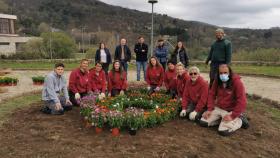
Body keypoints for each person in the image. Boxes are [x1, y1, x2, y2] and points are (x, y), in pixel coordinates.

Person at [200, 64, 249, 136]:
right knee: (203, 122)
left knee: (223, 131)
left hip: (231, 111)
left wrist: (233, 115)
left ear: (230, 72)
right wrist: (210, 109)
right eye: (221, 73)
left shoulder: (237, 82)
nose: (223, 75)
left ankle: (240, 120)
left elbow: (242, 101)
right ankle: (221, 120)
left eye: (225, 72)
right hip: (219, 108)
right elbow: (211, 94)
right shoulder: (217, 80)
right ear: (218, 73)